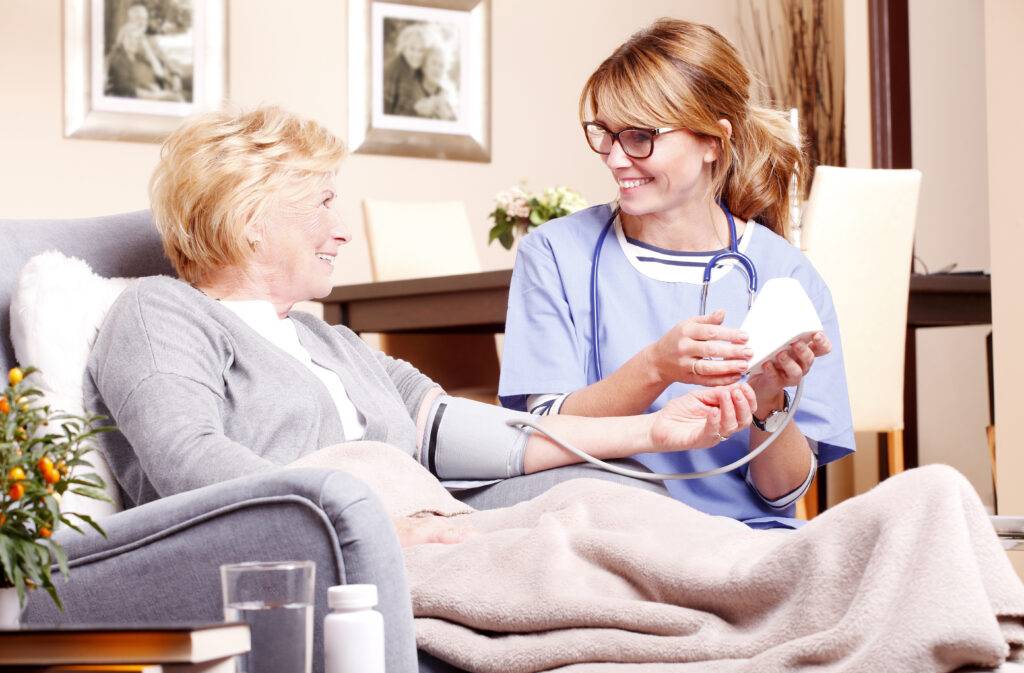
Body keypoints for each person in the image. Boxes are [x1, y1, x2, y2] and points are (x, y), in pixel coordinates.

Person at [84, 104, 760, 547]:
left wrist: (650, 431)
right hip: (333, 544)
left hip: (423, 519)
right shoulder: (159, 314)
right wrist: (372, 526)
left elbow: (461, 430)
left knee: (624, 488)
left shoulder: (329, 339)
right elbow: (190, 462)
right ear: (251, 218)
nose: (344, 229)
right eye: (323, 201)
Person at [498, 18, 855, 529]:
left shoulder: (788, 276)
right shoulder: (554, 254)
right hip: (605, 536)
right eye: (606, 133)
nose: (617, 158)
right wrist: (656, 367)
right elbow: (544, 437)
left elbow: (782, 496)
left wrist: (769, 402)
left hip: (744, 544)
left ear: (714, 141)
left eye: (641, 137)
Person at [105, 3, 184, 101]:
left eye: (145, 19)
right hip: (141, 95)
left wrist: (176, 74)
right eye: (138, 18)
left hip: (159, 87)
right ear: (129, 21)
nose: (143, 22)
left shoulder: (151, 41)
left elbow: (165, 60)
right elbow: (120, 80)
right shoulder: (126, 43)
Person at [382, 23, 431, 117]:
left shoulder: (416, 71)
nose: (417, 55)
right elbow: (384, 111)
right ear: (403, 48)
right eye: (412, 49)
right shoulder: (393, 71)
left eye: (421, 50)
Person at [413, 45, 458, 121]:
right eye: (434, 63)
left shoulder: (448, 97)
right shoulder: (411, 91)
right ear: (424, 66)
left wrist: (446, 116)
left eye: (441, 66)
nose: (437, 69)